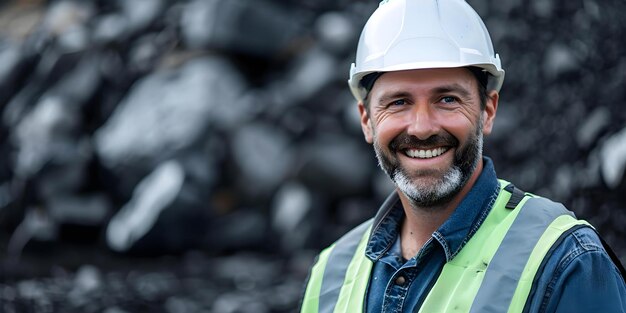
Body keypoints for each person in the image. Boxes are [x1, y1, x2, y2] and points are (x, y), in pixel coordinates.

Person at [300, 0, 626, 312]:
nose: (422, 127)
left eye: (447, 99)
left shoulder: (565, 262)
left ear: (488, 110)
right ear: (367, 120)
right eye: (398, 102)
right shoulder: (331, 273)